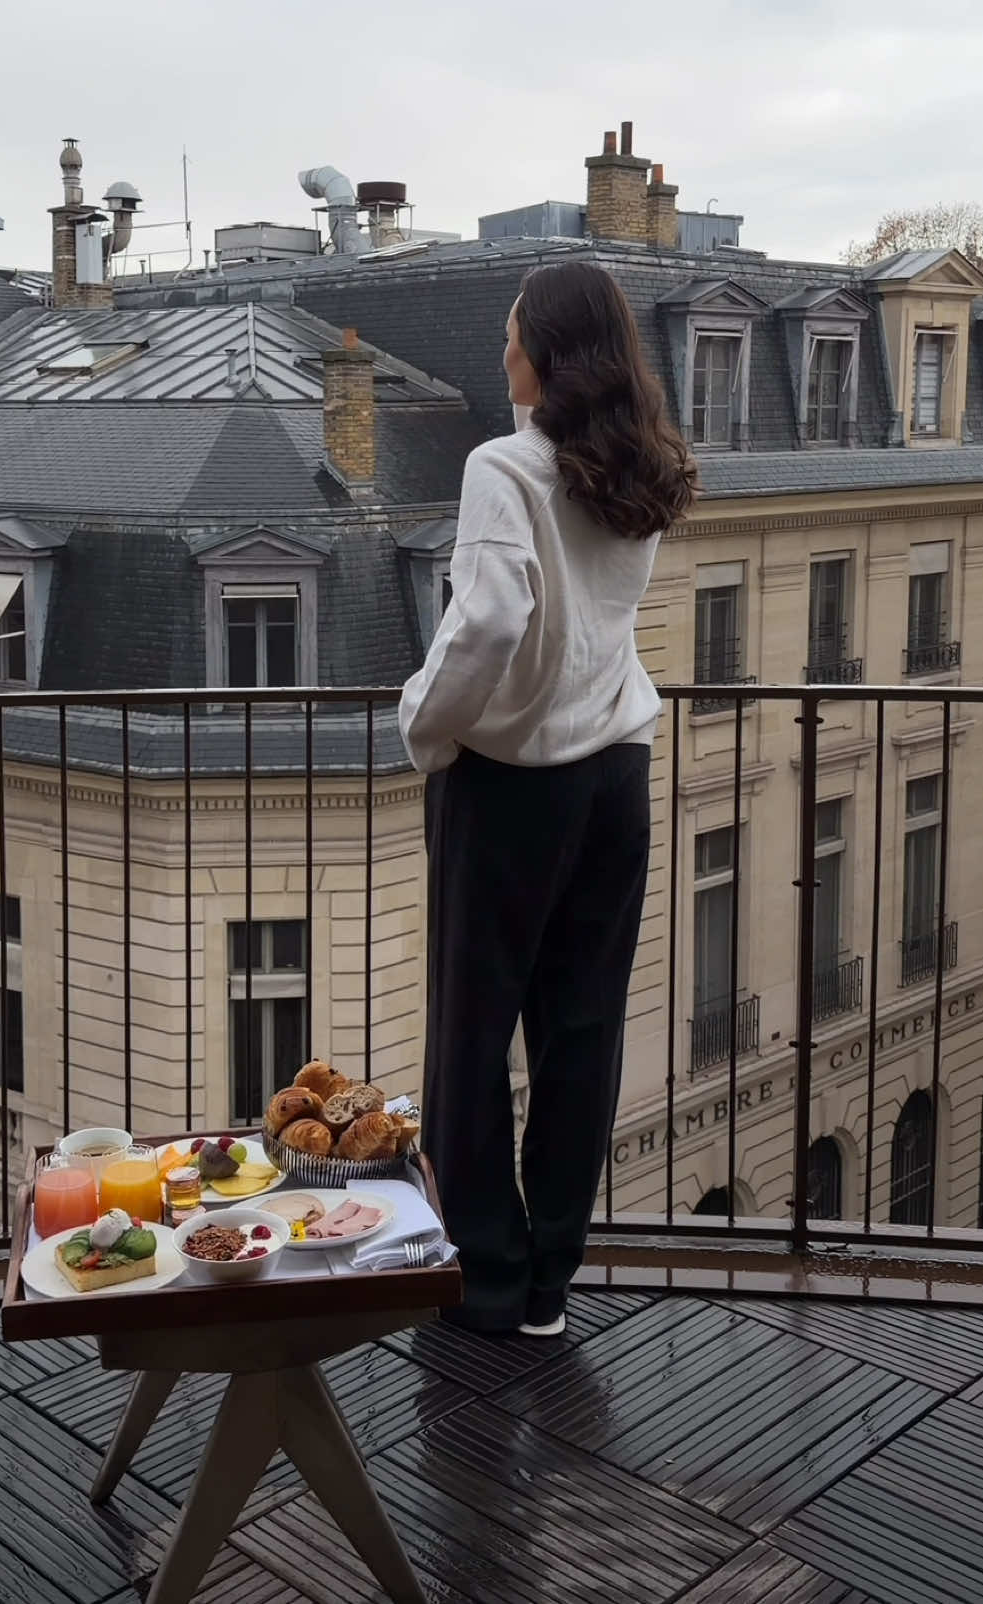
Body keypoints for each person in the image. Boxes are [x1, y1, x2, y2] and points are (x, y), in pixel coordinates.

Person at [399, 260, 696, 1335]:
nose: (502, 352)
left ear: (550, 354)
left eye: (514, 334)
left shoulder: (505, 470)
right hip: (617, 775)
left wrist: (425, 729)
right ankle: (549, 1286)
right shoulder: (644, 471)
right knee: (580, 1034)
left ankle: (486, 1278)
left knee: (473, 1041)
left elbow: (483, 626)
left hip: (510, 785)